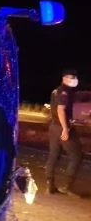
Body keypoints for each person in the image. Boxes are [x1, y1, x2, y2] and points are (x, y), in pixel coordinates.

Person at [45, 68, 84, 197]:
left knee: (54, 155)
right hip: (62, 127)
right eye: (72, 78)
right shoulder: (65, 92)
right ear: (64, 79)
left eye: (75, 78)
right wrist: (65, 128)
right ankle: (67, 187)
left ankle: (49, 186)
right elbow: (61, 110)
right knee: (76, 156)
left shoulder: (56, 90)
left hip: (53, 127)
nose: (74, 80)